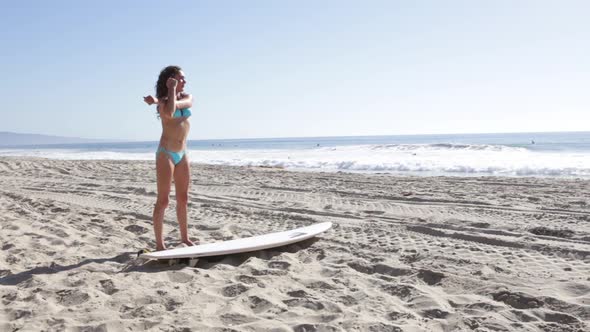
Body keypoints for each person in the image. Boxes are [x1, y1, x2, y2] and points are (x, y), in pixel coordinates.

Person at [143, 65, 196, 251]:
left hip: (183, 154)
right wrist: (169, 91)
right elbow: (171, 112)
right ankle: (160, 244)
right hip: (166, 153)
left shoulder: (187, 97)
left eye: (183, 78)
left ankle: (185, 238)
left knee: (183, 198)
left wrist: (164, 97)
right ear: (170, 80)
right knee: (163, 200)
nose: (184, 81)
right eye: (180, 78)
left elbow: (183, 105)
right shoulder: (164, 104)